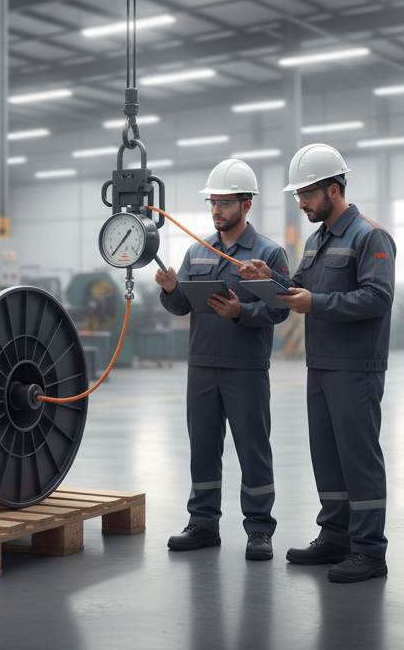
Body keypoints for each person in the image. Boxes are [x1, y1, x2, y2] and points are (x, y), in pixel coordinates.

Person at [238, 143, 396, 583]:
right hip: (321, 365)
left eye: (306, 194)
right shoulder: (316, 240)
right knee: (326, 456)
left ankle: (369, 550)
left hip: (356, 368)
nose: (301, 203)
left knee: (359, 458)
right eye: (298, 195)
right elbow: (298, 288)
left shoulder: (369, 236)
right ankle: (336, 535)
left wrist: (317, 303)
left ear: (333, 189)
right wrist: (269, 279)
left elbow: (378, 297)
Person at [156, 159, 291, 561]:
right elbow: (181, 306)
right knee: (202, 447)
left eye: (225, 203)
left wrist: (240, 312)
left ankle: (259, 529)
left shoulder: (268, 253)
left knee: (253, 449)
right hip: (201, 367)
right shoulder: (197, 251)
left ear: (246, 205)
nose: (216, 210)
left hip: (245, 368)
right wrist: (171, 289)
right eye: (213, 202)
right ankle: (202, 523)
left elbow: (281, 308)